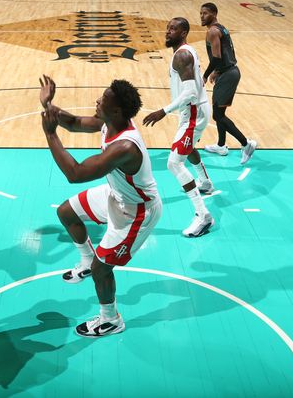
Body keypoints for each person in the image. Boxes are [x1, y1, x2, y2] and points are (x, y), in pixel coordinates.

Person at [40, 76, 162, 337]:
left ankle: (111, 319)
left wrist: (50, 134)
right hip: (117, 194)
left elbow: (75, 173)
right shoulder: (109, 122)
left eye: (102, 100)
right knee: (66, 212)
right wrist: (48, 105)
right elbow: (73, 123)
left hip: (137, 211)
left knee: (102, 269)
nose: (97, 101)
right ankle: (86, 259)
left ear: (116, 110)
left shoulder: (126, 146)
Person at [142, 18, 216, 238]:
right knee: (187, 147)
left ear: (184, 32)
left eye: (173, 29)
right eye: (168, 28)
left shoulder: (182, 55)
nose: (168, 32)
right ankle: (205, 181)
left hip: (193, 112)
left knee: (174, 163)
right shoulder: (186, 51)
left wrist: (163, 111)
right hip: (193, 111)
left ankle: (202, 215)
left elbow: (191, 93)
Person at [199, 2, 257, 164]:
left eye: (205, 13)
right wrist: (217, 71)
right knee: (220, 113)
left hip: (228, 74)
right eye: (201, 13)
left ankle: (246, 144)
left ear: (214, 14)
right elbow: (228, 52)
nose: (202, 16)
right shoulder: (221, 28)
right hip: (227, 71)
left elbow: (217, 57)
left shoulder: (212, 31)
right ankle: (221, 145)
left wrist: (205, 75)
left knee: (217, 115)